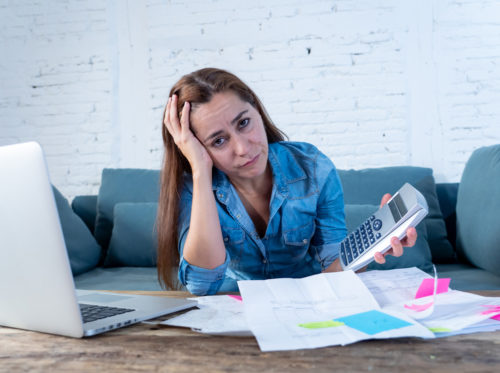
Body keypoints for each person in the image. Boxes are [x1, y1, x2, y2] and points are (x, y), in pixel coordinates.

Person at [157, 68, 417, 295]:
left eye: (244, 123)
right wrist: (201, 171)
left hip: (310, 303)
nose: (243, 148)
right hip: (238, 311)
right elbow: (201, 285)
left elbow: (334, 270)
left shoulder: (313, 167)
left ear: (258, 111)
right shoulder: (193, 187)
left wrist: (372, 248)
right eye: (218, 141)